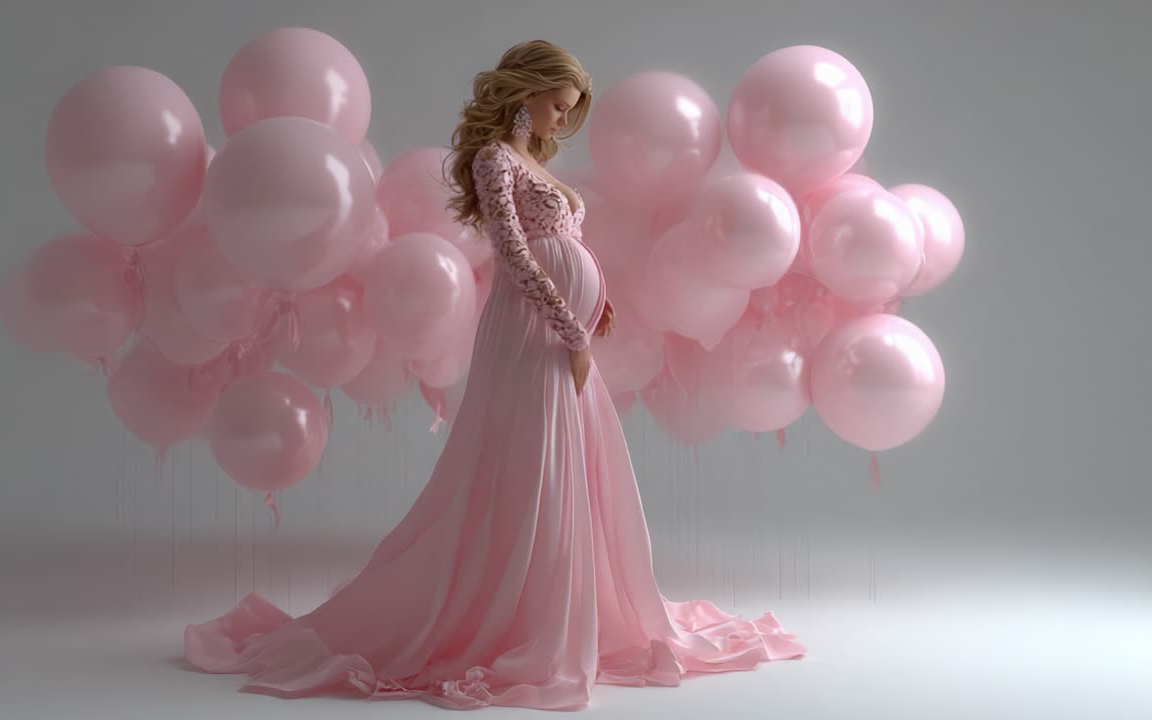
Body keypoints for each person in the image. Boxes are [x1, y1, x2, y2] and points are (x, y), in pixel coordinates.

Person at [182, 39, 806, 711]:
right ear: (528, 92)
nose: (561, 123)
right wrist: (570, 325)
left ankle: (556, 597)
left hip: (558, 325)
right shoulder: (494, 159)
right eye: (557, 107)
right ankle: (519, 608)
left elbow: (566, 244)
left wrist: (597, 300)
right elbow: (510, 250)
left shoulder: (534, 160)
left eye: (570, 113)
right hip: (529, 334)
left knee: (571, 465)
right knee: (533, 461)